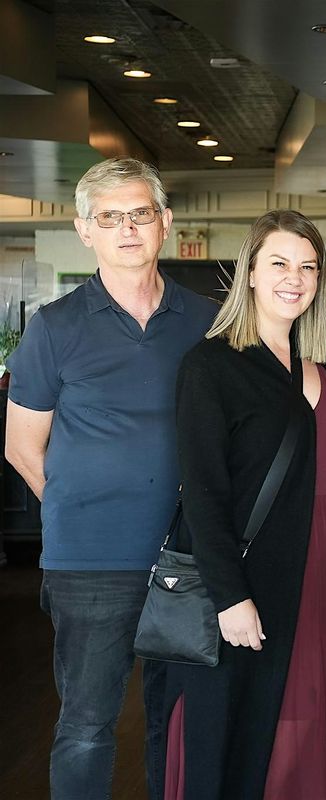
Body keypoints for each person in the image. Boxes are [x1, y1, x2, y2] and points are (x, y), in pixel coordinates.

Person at [4, 157, 215, 800]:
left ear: (165, 223)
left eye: (140, 214)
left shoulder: (208, 320)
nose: (127, 228)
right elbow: (21, 446)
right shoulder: (55, 326)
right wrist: (77, 512)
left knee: (177, 725)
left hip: (188, 556)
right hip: (89, 562)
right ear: (84, 229)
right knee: (87, 726)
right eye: (110, 217)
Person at [162, 210, 326, 799]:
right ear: (249, 271)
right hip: (251, 577)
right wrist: (230, 596)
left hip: (320, 568)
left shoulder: (320, 366)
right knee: (244, 732)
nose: (294, 278)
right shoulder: (212, 365)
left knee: (308, 722)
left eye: (308, 267)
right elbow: (202, 494)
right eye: (279, 263)